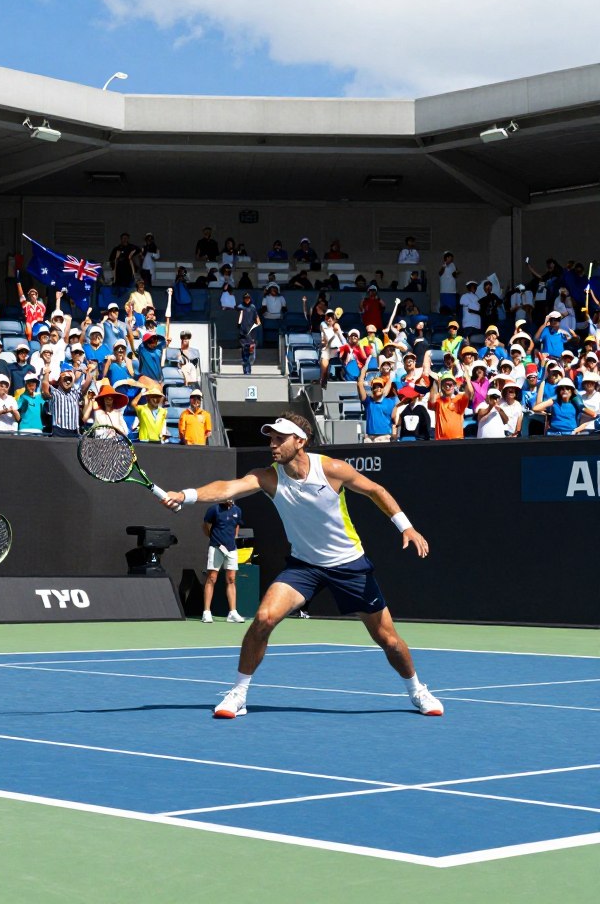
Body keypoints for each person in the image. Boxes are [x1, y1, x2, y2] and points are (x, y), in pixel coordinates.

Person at [161, 413, 442, 719]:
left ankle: (417, 690)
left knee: (387, 639)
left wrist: (406, 527)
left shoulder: (332, 470)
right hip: (304, 566)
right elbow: (227, 488)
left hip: (349, 564)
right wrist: (186, 496)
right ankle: (239, 693)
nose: (273, 445)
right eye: (271, 439)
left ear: (300, 441)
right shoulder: (267, 476)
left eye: (280, 439)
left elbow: (376, 490)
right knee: (264, 618)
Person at [201, 498, 245, 624]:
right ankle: (207, 612)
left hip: (231, 549)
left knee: (231, 579)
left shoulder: (237, 510)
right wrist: (213, 539)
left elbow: (237, 525)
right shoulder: (214, 509)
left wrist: (234, 538)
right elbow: (205, 525)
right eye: (227, 496)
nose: (229, 499)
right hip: (216, 548)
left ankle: (232, 613)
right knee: (212, 578)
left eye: (231, 496)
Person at [237, 291, 260, 375]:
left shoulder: (253, 307)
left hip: (251, 332)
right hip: (243, 332)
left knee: (252, 354)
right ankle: (246, 370)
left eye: (248, 298)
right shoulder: (241, 307)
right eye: (245, 298)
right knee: (245, 353)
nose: (247, 300)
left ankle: (248, 367)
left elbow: (257, 319)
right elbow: (238, 312)